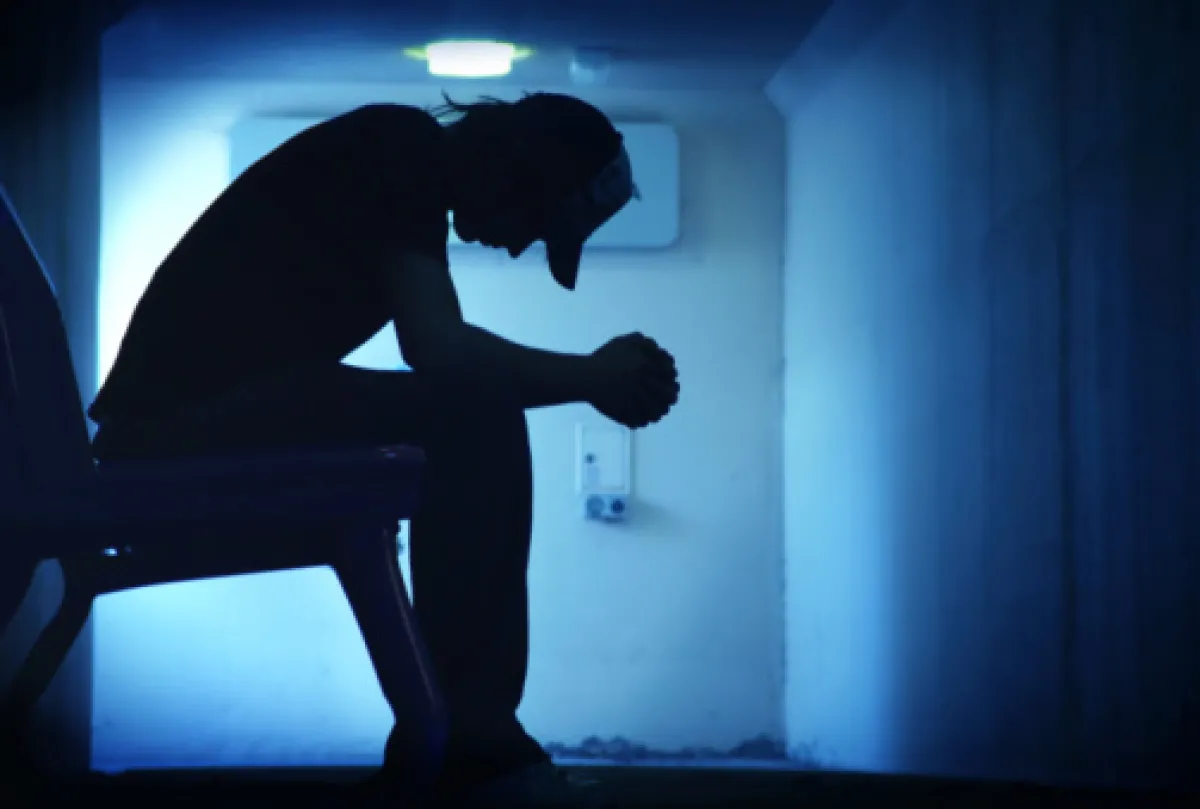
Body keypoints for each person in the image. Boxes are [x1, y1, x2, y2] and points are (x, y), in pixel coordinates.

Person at [88, 92, 680, 806]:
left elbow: (437, 358)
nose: (522, 245)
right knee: (474, 406)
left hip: (171, 427)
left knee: (469, 406)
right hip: (166, 436)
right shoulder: (403, 146)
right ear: (521, 171)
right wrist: (593, 377)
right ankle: (476, 740)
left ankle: (461, 732)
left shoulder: (403, 155)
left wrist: (591, 380)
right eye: (539, 224)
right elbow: (439, 349)